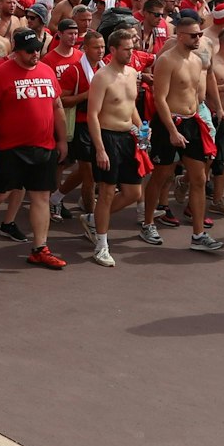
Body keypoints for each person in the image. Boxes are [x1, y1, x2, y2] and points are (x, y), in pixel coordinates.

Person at [0, 30, 70, 268]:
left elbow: (57, 107)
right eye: (29, 50)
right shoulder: (1, 73)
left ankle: (39, 249)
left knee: (41, 197)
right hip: (9, 148)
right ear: (17, 51)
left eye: (37, 49)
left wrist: (62, 140)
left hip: (43, 147)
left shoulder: (46, 71)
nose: (35, 54)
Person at [145, 14, 224, 253]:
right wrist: (171, 130)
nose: (198, 38)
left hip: (192, 121)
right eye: (193, 35)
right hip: (169, 122)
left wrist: (213, 110)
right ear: (180, 36)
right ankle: (148, 223)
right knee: (161, 176)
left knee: (199, 178)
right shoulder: (167, 60)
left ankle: (198, 235)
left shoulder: (197, 61)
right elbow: (160, 98)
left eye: (199, 34)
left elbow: (199, 91)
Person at [84, 29, 147, 267]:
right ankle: (101, 245)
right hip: (108, 137)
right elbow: (92, 115)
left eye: (132, 48)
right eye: (126, 49)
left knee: (133, 193)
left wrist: (142, 130)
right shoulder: (102, 77)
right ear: (113, 50)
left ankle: (94, 219)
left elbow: (130, 106)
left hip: (128, 137)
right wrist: (100, 149)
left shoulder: (132, 74)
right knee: (107, 192)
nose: (131, 53)